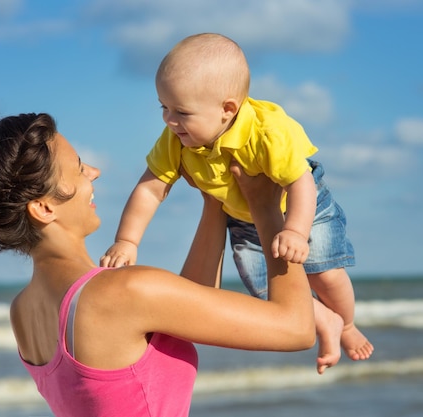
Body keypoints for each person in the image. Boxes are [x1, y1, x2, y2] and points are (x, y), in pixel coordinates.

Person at [0, 112, 325, 417]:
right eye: (78, 169)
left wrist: (215, 201)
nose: (96, 172)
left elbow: (187, 305)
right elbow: (295, 328)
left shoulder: (25, 309)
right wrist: (267, 210)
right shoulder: (120, 293)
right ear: (44, 208)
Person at [101, 33, 373, 369]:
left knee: (326, 275)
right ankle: (326, 321)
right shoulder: (175, 139)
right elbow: (150, 189)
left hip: (302, 208)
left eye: (181, 112)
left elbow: (300, 182)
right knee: (264, 290)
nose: (169, 120)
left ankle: (345, 323)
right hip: (243, 220)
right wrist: (127, 241)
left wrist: (296, 232)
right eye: (164, 107)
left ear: (227, 110)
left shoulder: (267, 132)